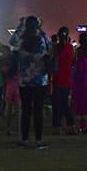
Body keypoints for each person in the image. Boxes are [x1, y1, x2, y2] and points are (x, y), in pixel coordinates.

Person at [10, 16, 52, 148]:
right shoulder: (43, 38)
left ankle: (25, 139)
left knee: (26, 110)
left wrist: (21, 25)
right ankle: (39, 140)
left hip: (25, 80)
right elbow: (51, 49)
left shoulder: (21, 39)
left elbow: (12, 41)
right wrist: (41, 28)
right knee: (38, 110)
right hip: (40, 80)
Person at [51, 26, 76, 135]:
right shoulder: (70, 48)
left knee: (56, 104)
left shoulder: (55, 48)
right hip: (67, 79)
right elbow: (73, 62)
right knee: (65, 104)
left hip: (56, 79)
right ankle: (71, 125)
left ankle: (57, 126)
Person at [72, 32, 87, 133]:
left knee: (80, 105)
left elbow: (74, 64)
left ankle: (81, 126)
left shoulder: (78, 52)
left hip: (80, 81)